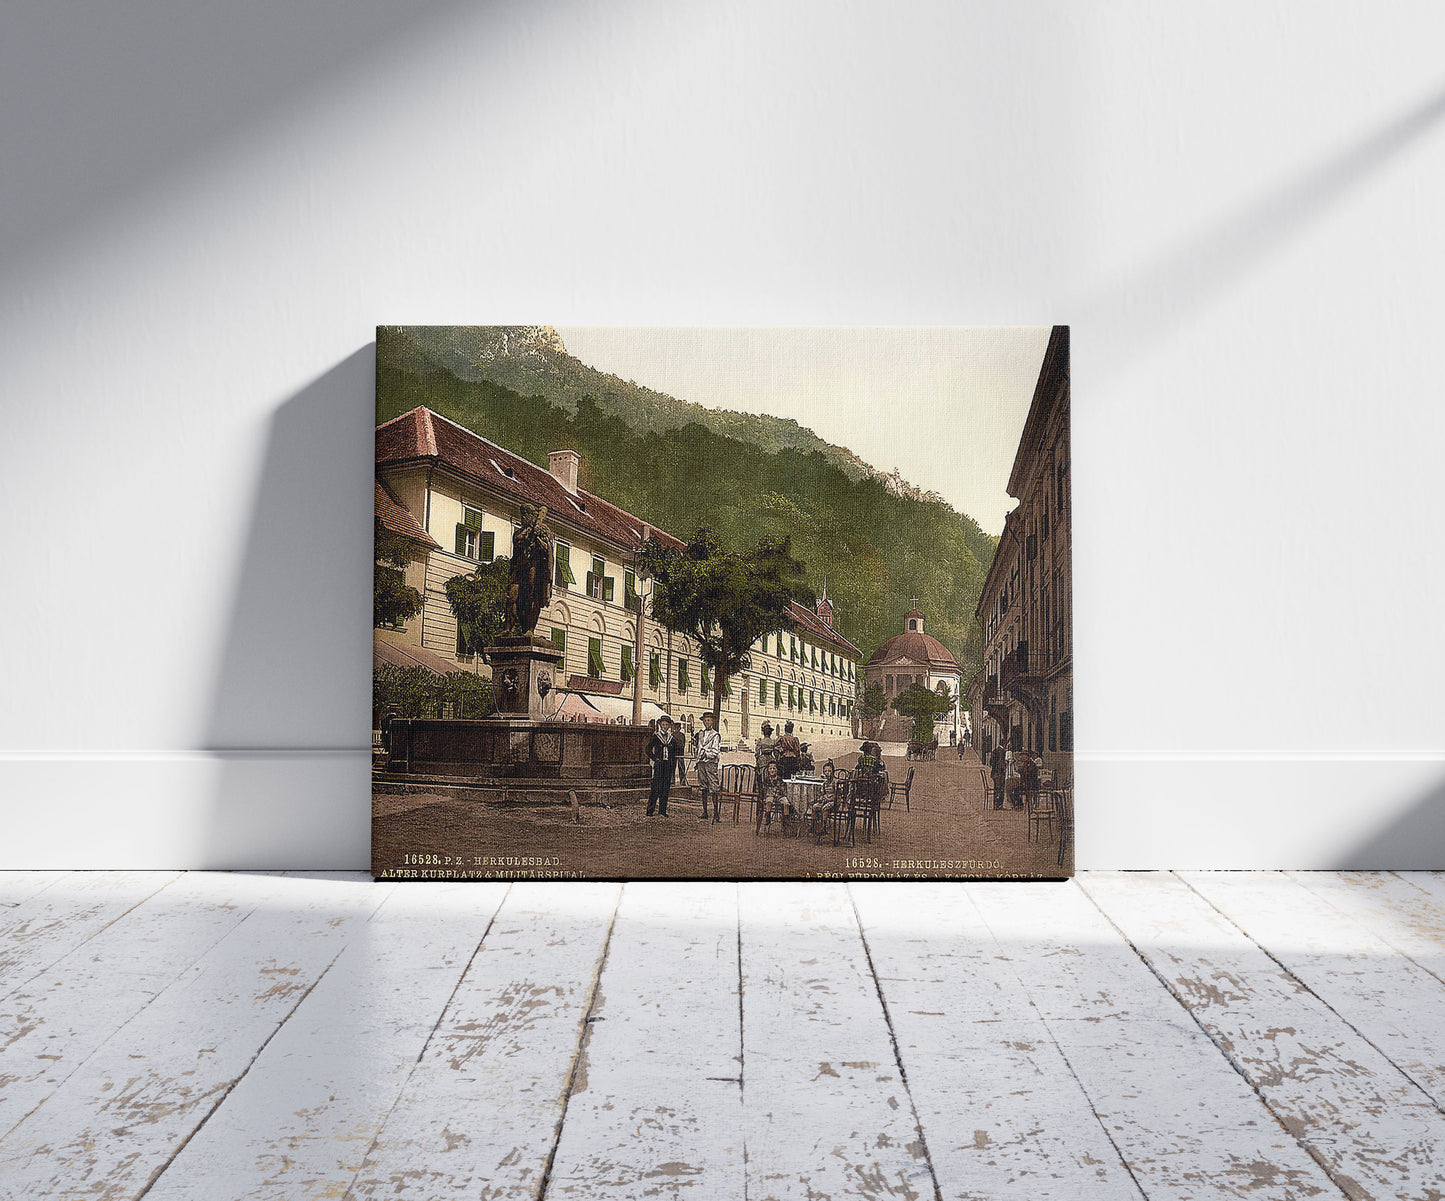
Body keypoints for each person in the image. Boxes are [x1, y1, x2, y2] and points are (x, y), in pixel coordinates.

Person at [646, 716, 683, 817]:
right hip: (659, 765)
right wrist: (655, 758)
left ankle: (662, 810)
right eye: (663, 725)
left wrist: (672, 761)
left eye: (667, 725)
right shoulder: (656, 737)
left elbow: (676, 751)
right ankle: (650, 810)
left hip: (668, 765)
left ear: (669, 726)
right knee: (656, 787)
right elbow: (647, 749)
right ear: (660, 725)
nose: (665, 727)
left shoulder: (672, 739)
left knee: (665, 788)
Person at [695, 712, 723, 822]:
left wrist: (705, 753)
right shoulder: (700, 734)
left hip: (711, 763)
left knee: (714, 787)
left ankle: (716, 814)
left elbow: (715, 751)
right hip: (701, 763)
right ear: (703, 721)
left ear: (713, 721)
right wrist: (698, 755)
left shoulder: (715, 735)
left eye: (709, 720)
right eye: (705, 720)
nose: (707, 722)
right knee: (703, 787)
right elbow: (698, 746)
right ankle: (705, 811)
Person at [755, 761, 790, 833]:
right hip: (770, 794)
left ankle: (786, 821)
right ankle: (768, 817)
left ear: (777, 770)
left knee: (786, 803)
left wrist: (779, 792)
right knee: (769, 801)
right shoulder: (767, 779)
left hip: (779, 795)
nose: (772, 770)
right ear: (768, 770)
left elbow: (783, 789)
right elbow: (765, 789)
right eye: (770, 769)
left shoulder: (780, 780)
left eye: (774, 768)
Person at [989, 744, 1006, 810]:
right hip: (999, 774)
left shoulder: (995, 750)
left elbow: (991, 762)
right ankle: (999, 805)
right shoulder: (1001, 751)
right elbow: (1001, 764)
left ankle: (996, 805)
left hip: (994, 773)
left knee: (997, 789)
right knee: (1000, 789)